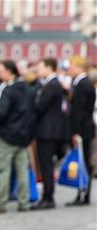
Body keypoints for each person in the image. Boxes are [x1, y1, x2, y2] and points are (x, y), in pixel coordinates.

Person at [0, 60, 34, 214]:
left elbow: (1, 112)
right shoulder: (26, 88)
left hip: (7, 135)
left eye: (0, 71)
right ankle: (24, 202)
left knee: (3, 170)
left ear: (9, 71)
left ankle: (0, 203)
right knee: (22, 170)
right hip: (23, 135)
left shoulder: (8, 90)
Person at [33, 58, 66, 210]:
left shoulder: (51, 85)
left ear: (49, 68)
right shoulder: (54, 84)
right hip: (50, 130)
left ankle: (48, 197)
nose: (38, 71)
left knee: (46, 165)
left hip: (47, 131)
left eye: (40, 67)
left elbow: (40, 107)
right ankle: (47, 195)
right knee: (46, 165)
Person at [66, 56, 94, 207]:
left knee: (83, 163)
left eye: (71, 65)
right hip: (82, 129)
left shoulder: (83, 85)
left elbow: (80, 112)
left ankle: (84, 193)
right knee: (81, 161)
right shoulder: (80, 83)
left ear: (78, 67)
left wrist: (76, 133)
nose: (69, 68)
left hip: (82, 130)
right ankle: (81, 192)